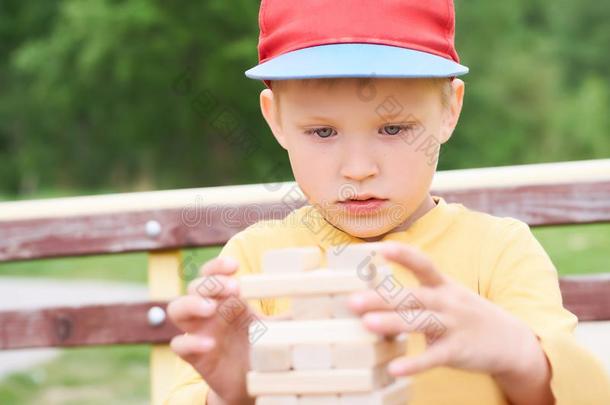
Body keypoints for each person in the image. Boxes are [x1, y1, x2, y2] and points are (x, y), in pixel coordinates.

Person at [164, 1, 610, 404]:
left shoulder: (499, 252)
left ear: (449, 110)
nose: (358, 168)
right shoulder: (253, 264)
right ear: (275, 118)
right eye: (323, 132)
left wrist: (522, 358)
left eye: (393, 129)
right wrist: (233, 394)